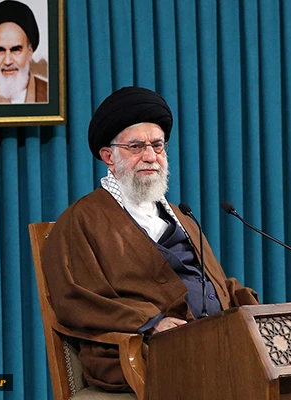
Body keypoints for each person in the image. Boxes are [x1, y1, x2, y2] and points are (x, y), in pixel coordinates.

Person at [42, 86, 259, 392]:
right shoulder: (81, 220)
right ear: (108, 156)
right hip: (143, 352)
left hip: (216, 342)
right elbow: (74, 299)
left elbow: (216, 284)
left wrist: (252, 311)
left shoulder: (181, 216)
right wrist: (152, 322)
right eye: (136, 147)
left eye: (157, 146)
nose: (150, 157)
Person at [0, 0, 48, 104]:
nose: (7, 61)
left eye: (15, 50)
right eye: (0, 50)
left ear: (29, 52)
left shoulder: (49, 94)